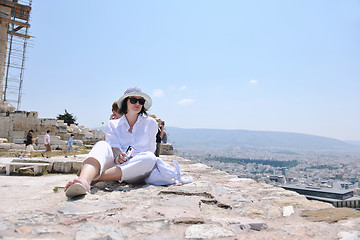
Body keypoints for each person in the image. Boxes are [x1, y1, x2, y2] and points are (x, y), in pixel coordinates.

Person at [64, 87, 158, 198]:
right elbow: (114, 147)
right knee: (101, 145)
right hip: (116, 165)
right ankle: (83, 180)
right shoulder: (113, 124)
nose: (137, 103)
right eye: (133, 100)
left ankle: (94, 178)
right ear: (125, 102)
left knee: (150, 158)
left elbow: (151, 149)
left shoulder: (151, 123)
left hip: (137, 169)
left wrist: (134, 160)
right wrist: (118, 156)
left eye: (141, 101)